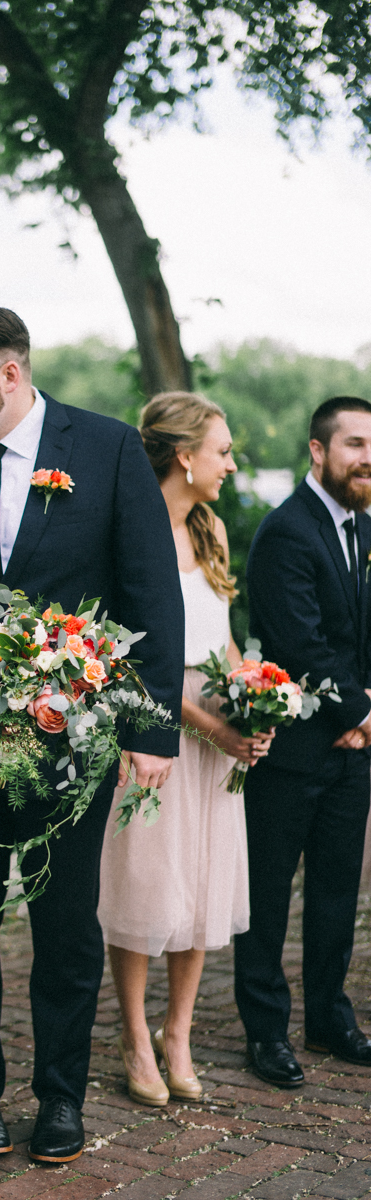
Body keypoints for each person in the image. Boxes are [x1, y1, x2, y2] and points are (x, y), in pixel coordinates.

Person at [0, 303, 184, 1164]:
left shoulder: (105, 447)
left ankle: (61, 1097)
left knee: (66, 924)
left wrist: (151, 730)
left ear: (10, 373)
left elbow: (152, 590)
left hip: (70, 736)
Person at [98, 392, 272, 1106]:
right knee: (146, 881)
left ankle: (180, 1033)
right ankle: (135, 1036)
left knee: (202, 880)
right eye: (223, 451)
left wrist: (257, 694)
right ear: (183, 456)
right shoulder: (125, 534)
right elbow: (131, 661)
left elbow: (219, 636)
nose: (231, 464)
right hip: (155, 724)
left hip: (215, 730)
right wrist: (209, 724)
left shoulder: (213, 532)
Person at [235, 395, 371, 1087]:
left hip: (354, 754)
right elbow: (298, 640)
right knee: (266, 897)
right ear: (318, 451)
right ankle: (265, 1032)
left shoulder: (366, 531)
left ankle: (329, 1016)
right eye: (353, 444)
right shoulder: (287, 531)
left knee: (336, 891)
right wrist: (357, 712)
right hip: (290, 752)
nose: (367, 458)